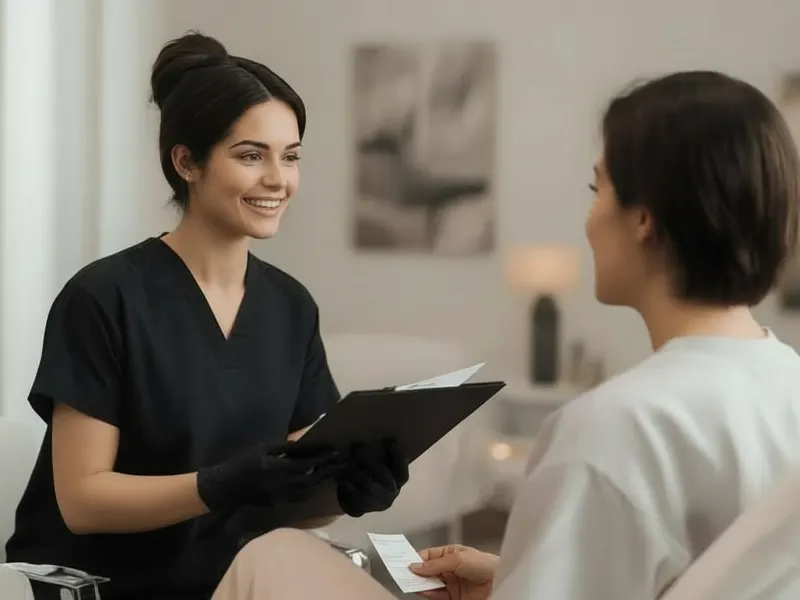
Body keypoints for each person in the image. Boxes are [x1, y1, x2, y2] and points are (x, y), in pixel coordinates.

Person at [193, 70, 800, 600]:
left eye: (599, 189)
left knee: (274, 558)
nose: (589, 218)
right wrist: (515, 577)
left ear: (643, 220)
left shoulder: (614, 426)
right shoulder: (788, 383)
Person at [4, 31, 408, 600]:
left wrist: (349, 491)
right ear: (187, 162)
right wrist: (219, 485)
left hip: (233, 577)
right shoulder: (104, 297)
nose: (278, 180)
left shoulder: (291, 306)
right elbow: (82, 501)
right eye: (251, 155)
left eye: (290, 157)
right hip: (106, 584)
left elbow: (293, 492)